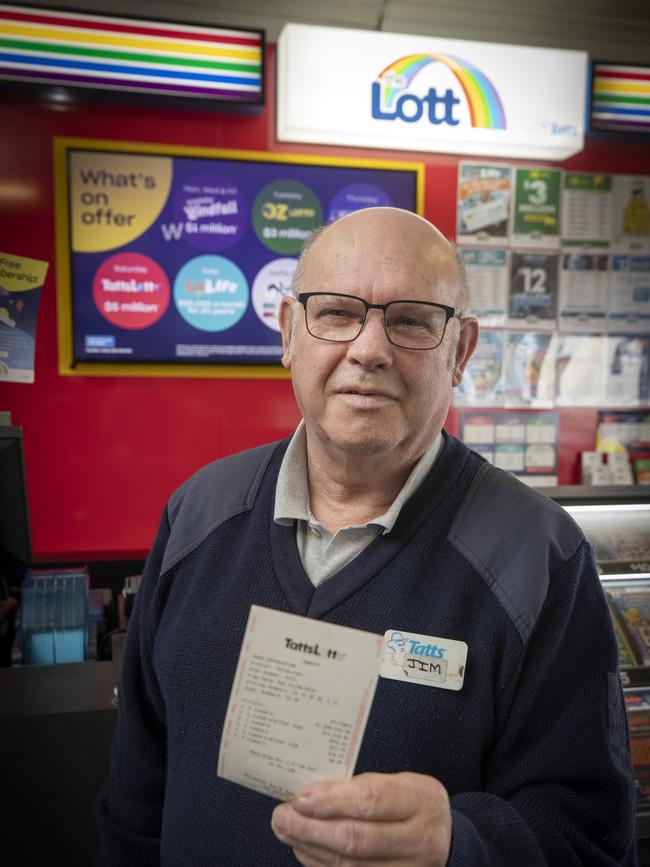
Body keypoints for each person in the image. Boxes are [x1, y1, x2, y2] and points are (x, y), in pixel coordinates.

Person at [96, 208, 637, 866]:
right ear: (290, 333)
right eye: (335, 312)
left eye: (410, 320)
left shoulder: (539, 557)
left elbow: (592, 837)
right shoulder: (197, 514)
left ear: (460, 351)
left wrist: (459, 845)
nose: (369, 348)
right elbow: (134, 801)